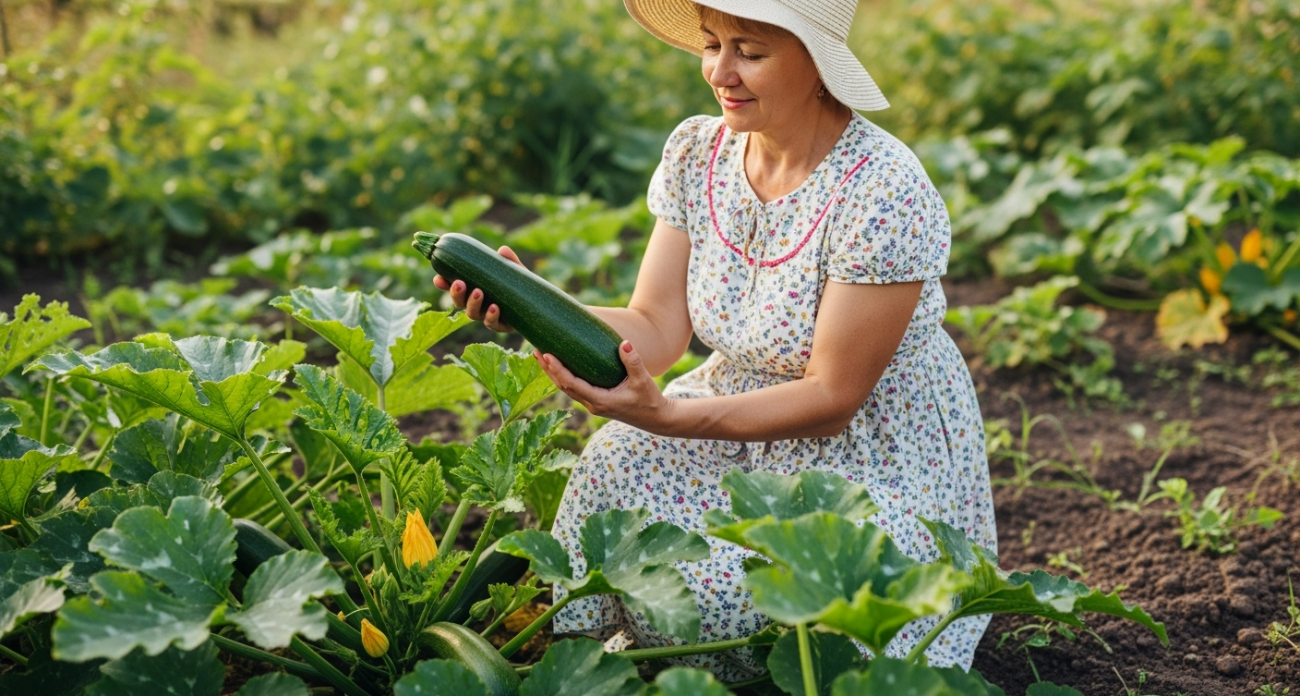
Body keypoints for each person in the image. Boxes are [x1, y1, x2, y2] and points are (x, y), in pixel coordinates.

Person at [434, 0, 997, 681]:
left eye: (750, 52)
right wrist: (535, 306)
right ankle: (588, 664)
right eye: (711, 44)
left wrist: (670, 417)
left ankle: (719, 661)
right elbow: (655, 328)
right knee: (611, 464)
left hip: (865, 452)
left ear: (818, 64)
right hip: (733, 410)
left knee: (731, 593)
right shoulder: (700, 152)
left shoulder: (883, 189)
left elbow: (832, 396)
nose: (720, 72)